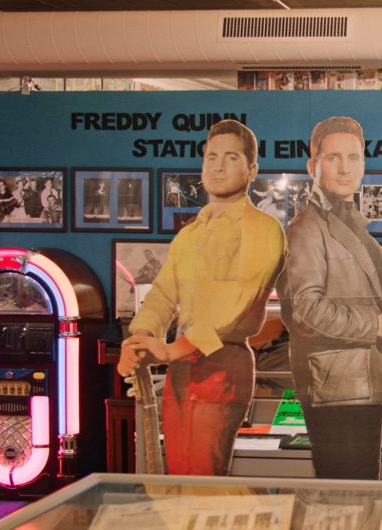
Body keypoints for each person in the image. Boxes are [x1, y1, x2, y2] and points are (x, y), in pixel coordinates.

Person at [117, 120, 286, 475]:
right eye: (211, 158)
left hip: (222, 366)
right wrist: (143, 337)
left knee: (201, 477)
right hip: (181, 367)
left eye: (230, 157)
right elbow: (163, 292)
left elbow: (236, 306)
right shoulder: (190, 235)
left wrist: (168, 350)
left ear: (251, 169)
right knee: (179, 473)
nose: (218, 166)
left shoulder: (264, 229)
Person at [277, 116, 382, 479]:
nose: (344, 168)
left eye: (353, 157)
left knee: (360, 493)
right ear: (313, 166)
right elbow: (304, 310)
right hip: (334, 390)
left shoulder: (349, 222)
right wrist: (376, 324)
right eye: (333, 158)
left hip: (356, 384)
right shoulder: (306, 228)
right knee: (345, 497)